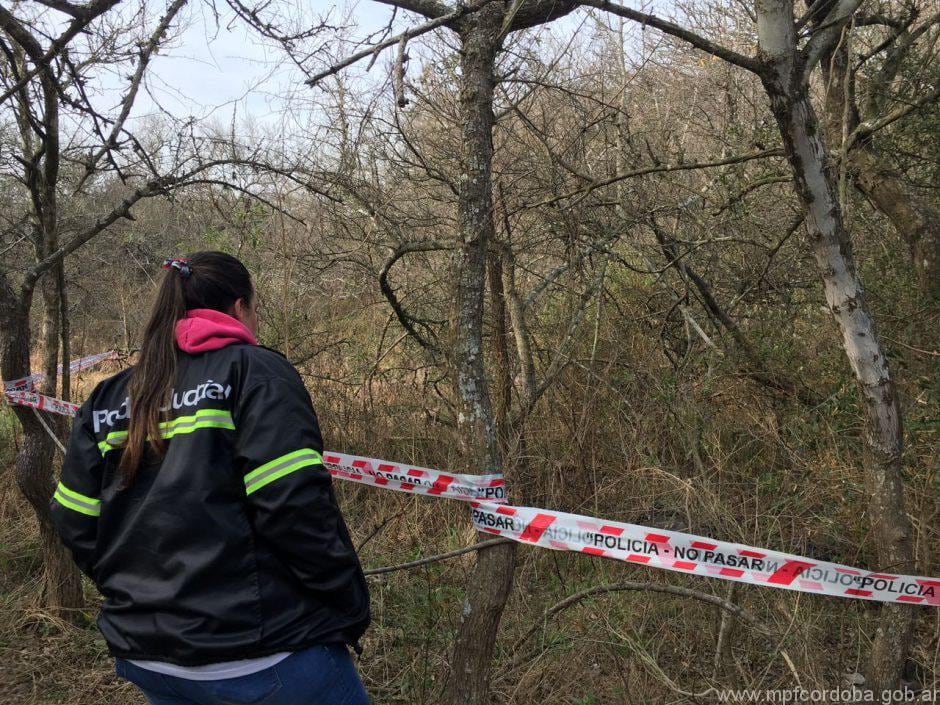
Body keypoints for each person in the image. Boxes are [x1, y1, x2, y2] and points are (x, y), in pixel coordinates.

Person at [50, 251, 371, 705]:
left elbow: (72, 517)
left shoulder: (111, 395)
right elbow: (291, 505)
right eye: (255, 308)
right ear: (240, 308)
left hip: (151, 657)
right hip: (261, 653)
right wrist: (348, 600)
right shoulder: (255, 372)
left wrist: (134, 591)